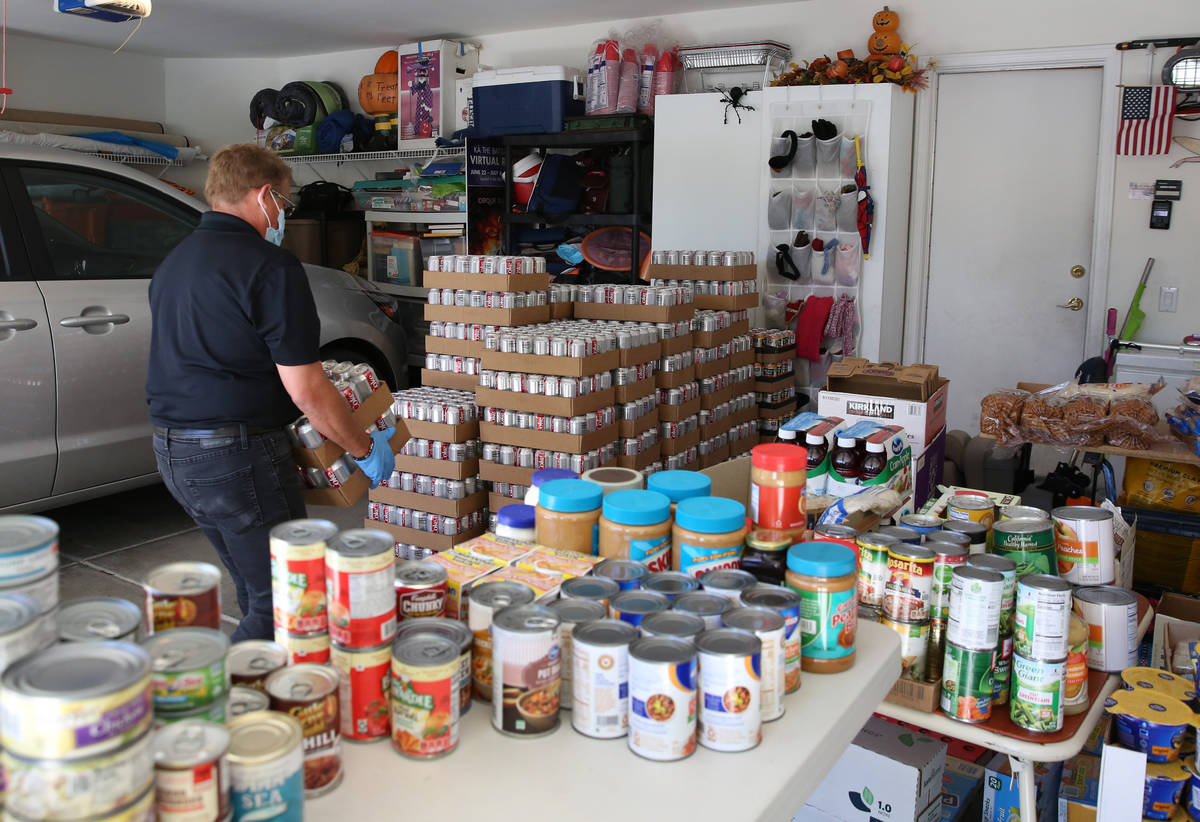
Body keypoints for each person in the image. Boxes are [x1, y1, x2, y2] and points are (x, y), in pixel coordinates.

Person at [146, 143, 395, 642]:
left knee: (255, 588)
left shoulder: (175, 261)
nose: (285, 213)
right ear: (264, 196)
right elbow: (307, 389)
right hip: (236, 455)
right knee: (286, 600)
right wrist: (363, 446)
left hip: (174, 452)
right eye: (285, 201)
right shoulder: (271, 267)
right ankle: (228, 701)